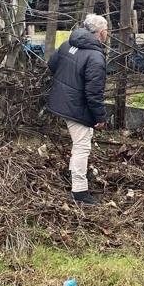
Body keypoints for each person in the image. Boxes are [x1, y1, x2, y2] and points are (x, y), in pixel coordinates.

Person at [47, 14, 109, 205]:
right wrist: (100, 117)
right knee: (82, 147)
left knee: (79, 143)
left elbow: (52, 65)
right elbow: (93, 93)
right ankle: (79, 192)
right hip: (77, 107)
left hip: (60, 101)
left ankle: (76, 171)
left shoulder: (68, 44)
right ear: (102, 33)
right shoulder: (96, 57)